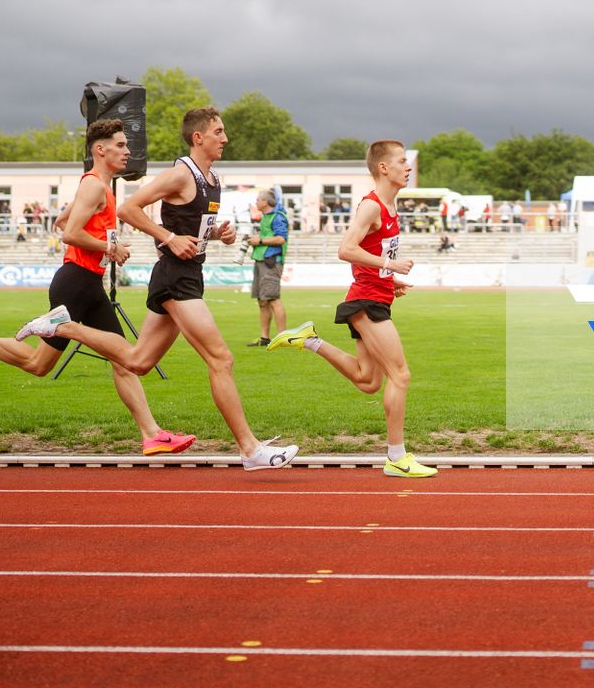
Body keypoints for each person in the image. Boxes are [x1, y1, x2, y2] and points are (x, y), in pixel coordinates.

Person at [0, 119, 194, 456]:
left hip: (90, 285)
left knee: (123, 361)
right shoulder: (94, 187)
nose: (128, 151)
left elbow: (61, 222)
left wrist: (102, 241)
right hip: (74, 284)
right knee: (39, 366)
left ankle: (152, 434)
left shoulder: (101, 187)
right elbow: (69, 233)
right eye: (120, 145)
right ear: (101, 150)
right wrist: (109, 248)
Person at [101, 106, 297, 470]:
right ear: (199, 137)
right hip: (176, 275)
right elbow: (129, 208)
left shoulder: (213, 178)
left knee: (139, 362)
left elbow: (196, 226)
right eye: (219, 132)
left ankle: (63, 326)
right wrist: (169, 237)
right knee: (221, 358)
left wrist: (218, 234)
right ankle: (251, 449)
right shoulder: (180, 174)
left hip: (189, 273)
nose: (225, 138)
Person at [267, 139, 434, 479]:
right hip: (366, 302)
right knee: (400, 375)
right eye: (402, 161)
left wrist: (390, 280)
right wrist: (390, 264)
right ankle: (397, 457)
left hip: (376, 295)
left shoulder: (391, 208)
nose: (408, 166)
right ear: (383, 168)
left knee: (368, 380)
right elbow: (346, 249)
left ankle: (310, 340)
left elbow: (367, 257)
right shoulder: (371, 206)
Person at [241, 188, 289, 348]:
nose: (256, 202)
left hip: (271, 261)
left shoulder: (278, 217)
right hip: (261, 260)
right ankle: (265, 338)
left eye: (257, 200)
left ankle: (283, 337)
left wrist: (260, 241)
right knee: (262, 301)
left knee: (273, 299)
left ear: (265, 202)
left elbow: (281, 239)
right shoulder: (266, 217)